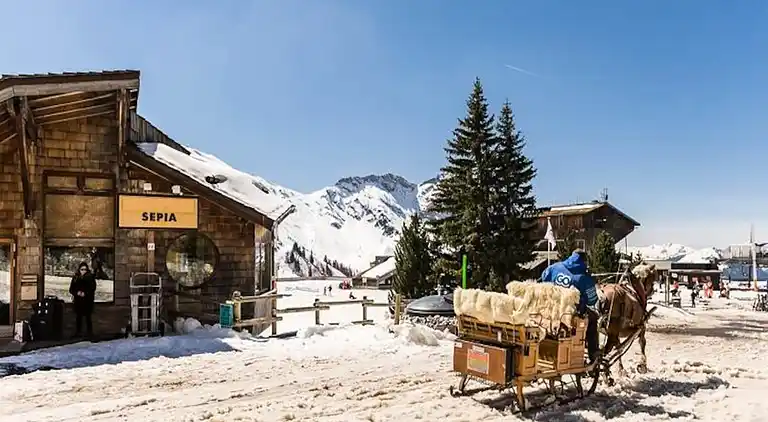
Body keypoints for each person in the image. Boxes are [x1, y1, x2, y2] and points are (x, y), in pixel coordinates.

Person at [540, 250, 600, 364]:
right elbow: (592, 300)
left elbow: (542, 281)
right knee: (593, 318)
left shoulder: (554, 268)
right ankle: (593, 354)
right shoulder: (584, 277)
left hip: (549, 310)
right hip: (569, 314)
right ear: (585, 261)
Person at [69, 262, 97, 338]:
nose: (83, 271)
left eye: (85, 269)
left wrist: (85, 293)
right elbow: (71, 289)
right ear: (79, 269)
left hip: (87, 301)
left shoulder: (90, 277)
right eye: (82, 269)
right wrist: (77, 293)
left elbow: (93, 288)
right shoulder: (76, 277)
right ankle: (78, 333)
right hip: (78, 301)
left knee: (88, 317)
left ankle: (89, 333)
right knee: (79, 317)